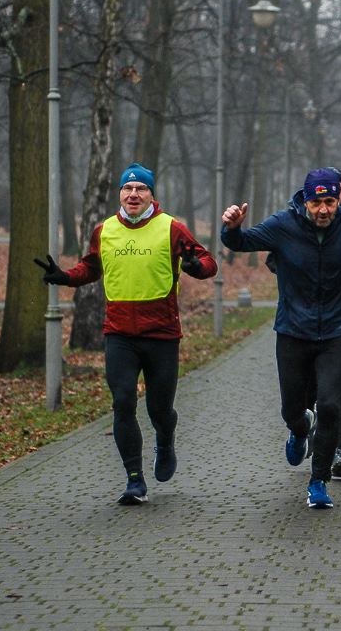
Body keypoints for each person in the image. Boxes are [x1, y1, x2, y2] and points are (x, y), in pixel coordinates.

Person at [221, 169, 341, 509]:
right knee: (292, 410)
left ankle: (318, 481)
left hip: (336, 332)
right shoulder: (283, 224)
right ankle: (299, 429)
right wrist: (232, 227)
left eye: (330, 202)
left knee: (330, 405)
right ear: (304, 201)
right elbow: (240, 243)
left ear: (339, 199)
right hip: (292, 333)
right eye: (316, 203)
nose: (324, 210)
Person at [36, 163, 217, 505]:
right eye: (128, 189)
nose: (134, 194)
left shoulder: (171, 228)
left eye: (141, 189)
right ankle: (135, 479)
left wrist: (196, 267)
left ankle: (165, 439)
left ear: (151, 194)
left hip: (162, 334)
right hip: (119, 333)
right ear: (120, 194)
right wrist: (65, 277)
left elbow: (208, 262)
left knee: (159, 410)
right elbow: (91, 267)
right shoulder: (104, 230)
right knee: (122, 402)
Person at [265, 168, 341, 478]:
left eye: (338, 192)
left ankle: (338, 451)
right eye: (323, 196)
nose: (330, 200)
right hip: (300, 322)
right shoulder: (294, 221)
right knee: (306, 392)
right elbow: (274, 258)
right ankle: (303, 427)